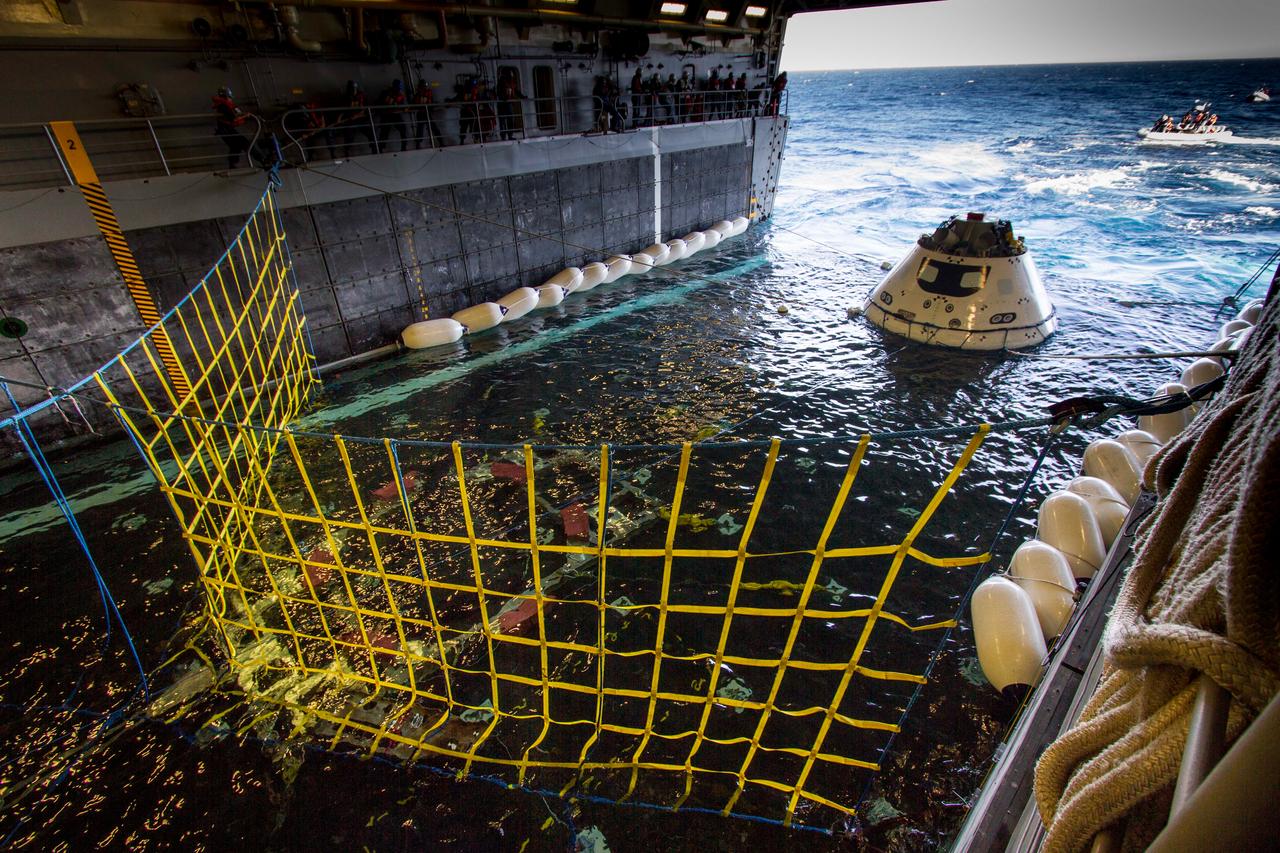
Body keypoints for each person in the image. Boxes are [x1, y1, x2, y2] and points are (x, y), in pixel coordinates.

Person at [212, 86, 252, 169]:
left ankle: (233, 164)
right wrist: (245, 116)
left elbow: (234, 115)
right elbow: (233, 118)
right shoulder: (223, 106)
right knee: (240, 144)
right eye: (230, 97)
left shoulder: (226, 105)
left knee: (236, 146)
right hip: (225, 129)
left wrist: (242, 116)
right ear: (226, 97)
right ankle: (233, 164)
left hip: (227, 129)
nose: (231, 99)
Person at [340, 80, 374, 156]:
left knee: (371, 133)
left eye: (353, 89)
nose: (352, 91)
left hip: (361, 120)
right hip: (351, 121)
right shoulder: (346, 97)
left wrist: (358, 115)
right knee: (349, 136)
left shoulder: (362, 96)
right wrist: (341, 118)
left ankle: (375, 148)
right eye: (350, 89)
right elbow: (343, 110)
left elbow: (366, 108)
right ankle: (347, 151)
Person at [378, 79, 410, 152]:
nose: (398, 89)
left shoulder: (400, 95)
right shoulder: (385, 93)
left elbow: (402, 104)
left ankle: (404, 146)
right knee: (384, 131)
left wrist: (404, 108)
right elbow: (379, 103)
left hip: (395, 115)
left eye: (399, 88)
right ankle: (380, 148)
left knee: (403, 128)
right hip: (386, 115)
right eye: (397, 88)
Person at [496, 69, 525, 140]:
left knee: (509, 120)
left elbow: (515, 90)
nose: (512, 76)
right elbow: (499, 92)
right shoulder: (501, 83)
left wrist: (522, 96)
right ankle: (504, 136)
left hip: (509, 103)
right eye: (511, 75)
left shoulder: (510, 83)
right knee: (504, 120)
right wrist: (504, 97)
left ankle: (509, 135)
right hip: (503, 104)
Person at [412, 80, 436, 149]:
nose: (424, 88)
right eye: (422, 87)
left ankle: (440, 141)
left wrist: (431, 108)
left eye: (424, 87)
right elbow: (413, 103)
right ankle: (418, 144)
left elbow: (432, 103)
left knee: (433, 128)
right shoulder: (417, 95)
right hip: (421, 114)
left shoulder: (429, 94)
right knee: (420, 129)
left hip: (427, 113)